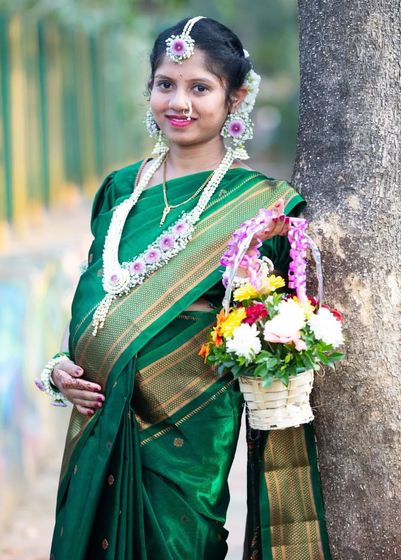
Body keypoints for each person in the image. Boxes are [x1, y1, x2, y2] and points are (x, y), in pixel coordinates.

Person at [38, 16, 331, 560]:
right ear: (148, 88)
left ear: (234, 97)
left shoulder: (261, 204)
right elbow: (94, 298)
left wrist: (252, 290)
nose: (179, 102)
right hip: (100, 418)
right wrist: (60, 368)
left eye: (200, 87)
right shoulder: (120, 189)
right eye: (165, 84)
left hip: (190, 425)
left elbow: (271, 325)